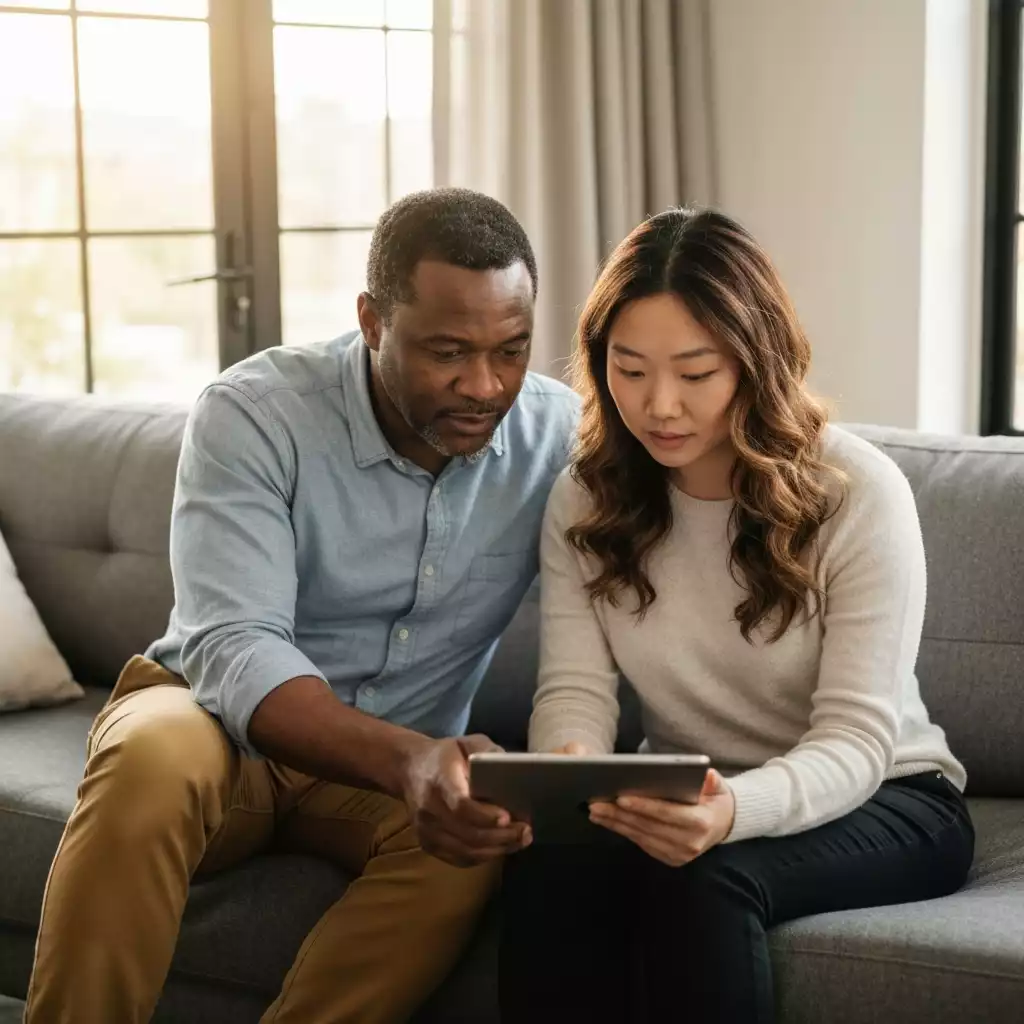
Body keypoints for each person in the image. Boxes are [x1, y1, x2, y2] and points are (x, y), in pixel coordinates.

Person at [25, 188, 578, 1024]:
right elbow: (237, 643)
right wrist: (407, 761)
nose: (484, 384)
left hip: (389, 774)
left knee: (472, 843)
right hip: (217, 732)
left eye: (511, 350)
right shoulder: (256, 413)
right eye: (446, 351)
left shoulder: (558, 436)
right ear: (370, 320)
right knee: (148, 758)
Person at [498, 208, 974, 1023]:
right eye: (630, 368)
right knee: (551, 864)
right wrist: (572, 779)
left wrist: (731, 813)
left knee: (705, 874)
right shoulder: (589, 493)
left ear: (755, 363)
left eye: (695, 371)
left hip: (886, 795)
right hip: (685, 787)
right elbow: (574, 689)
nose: (660, 405)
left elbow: (858, 740)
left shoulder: (856, 494)